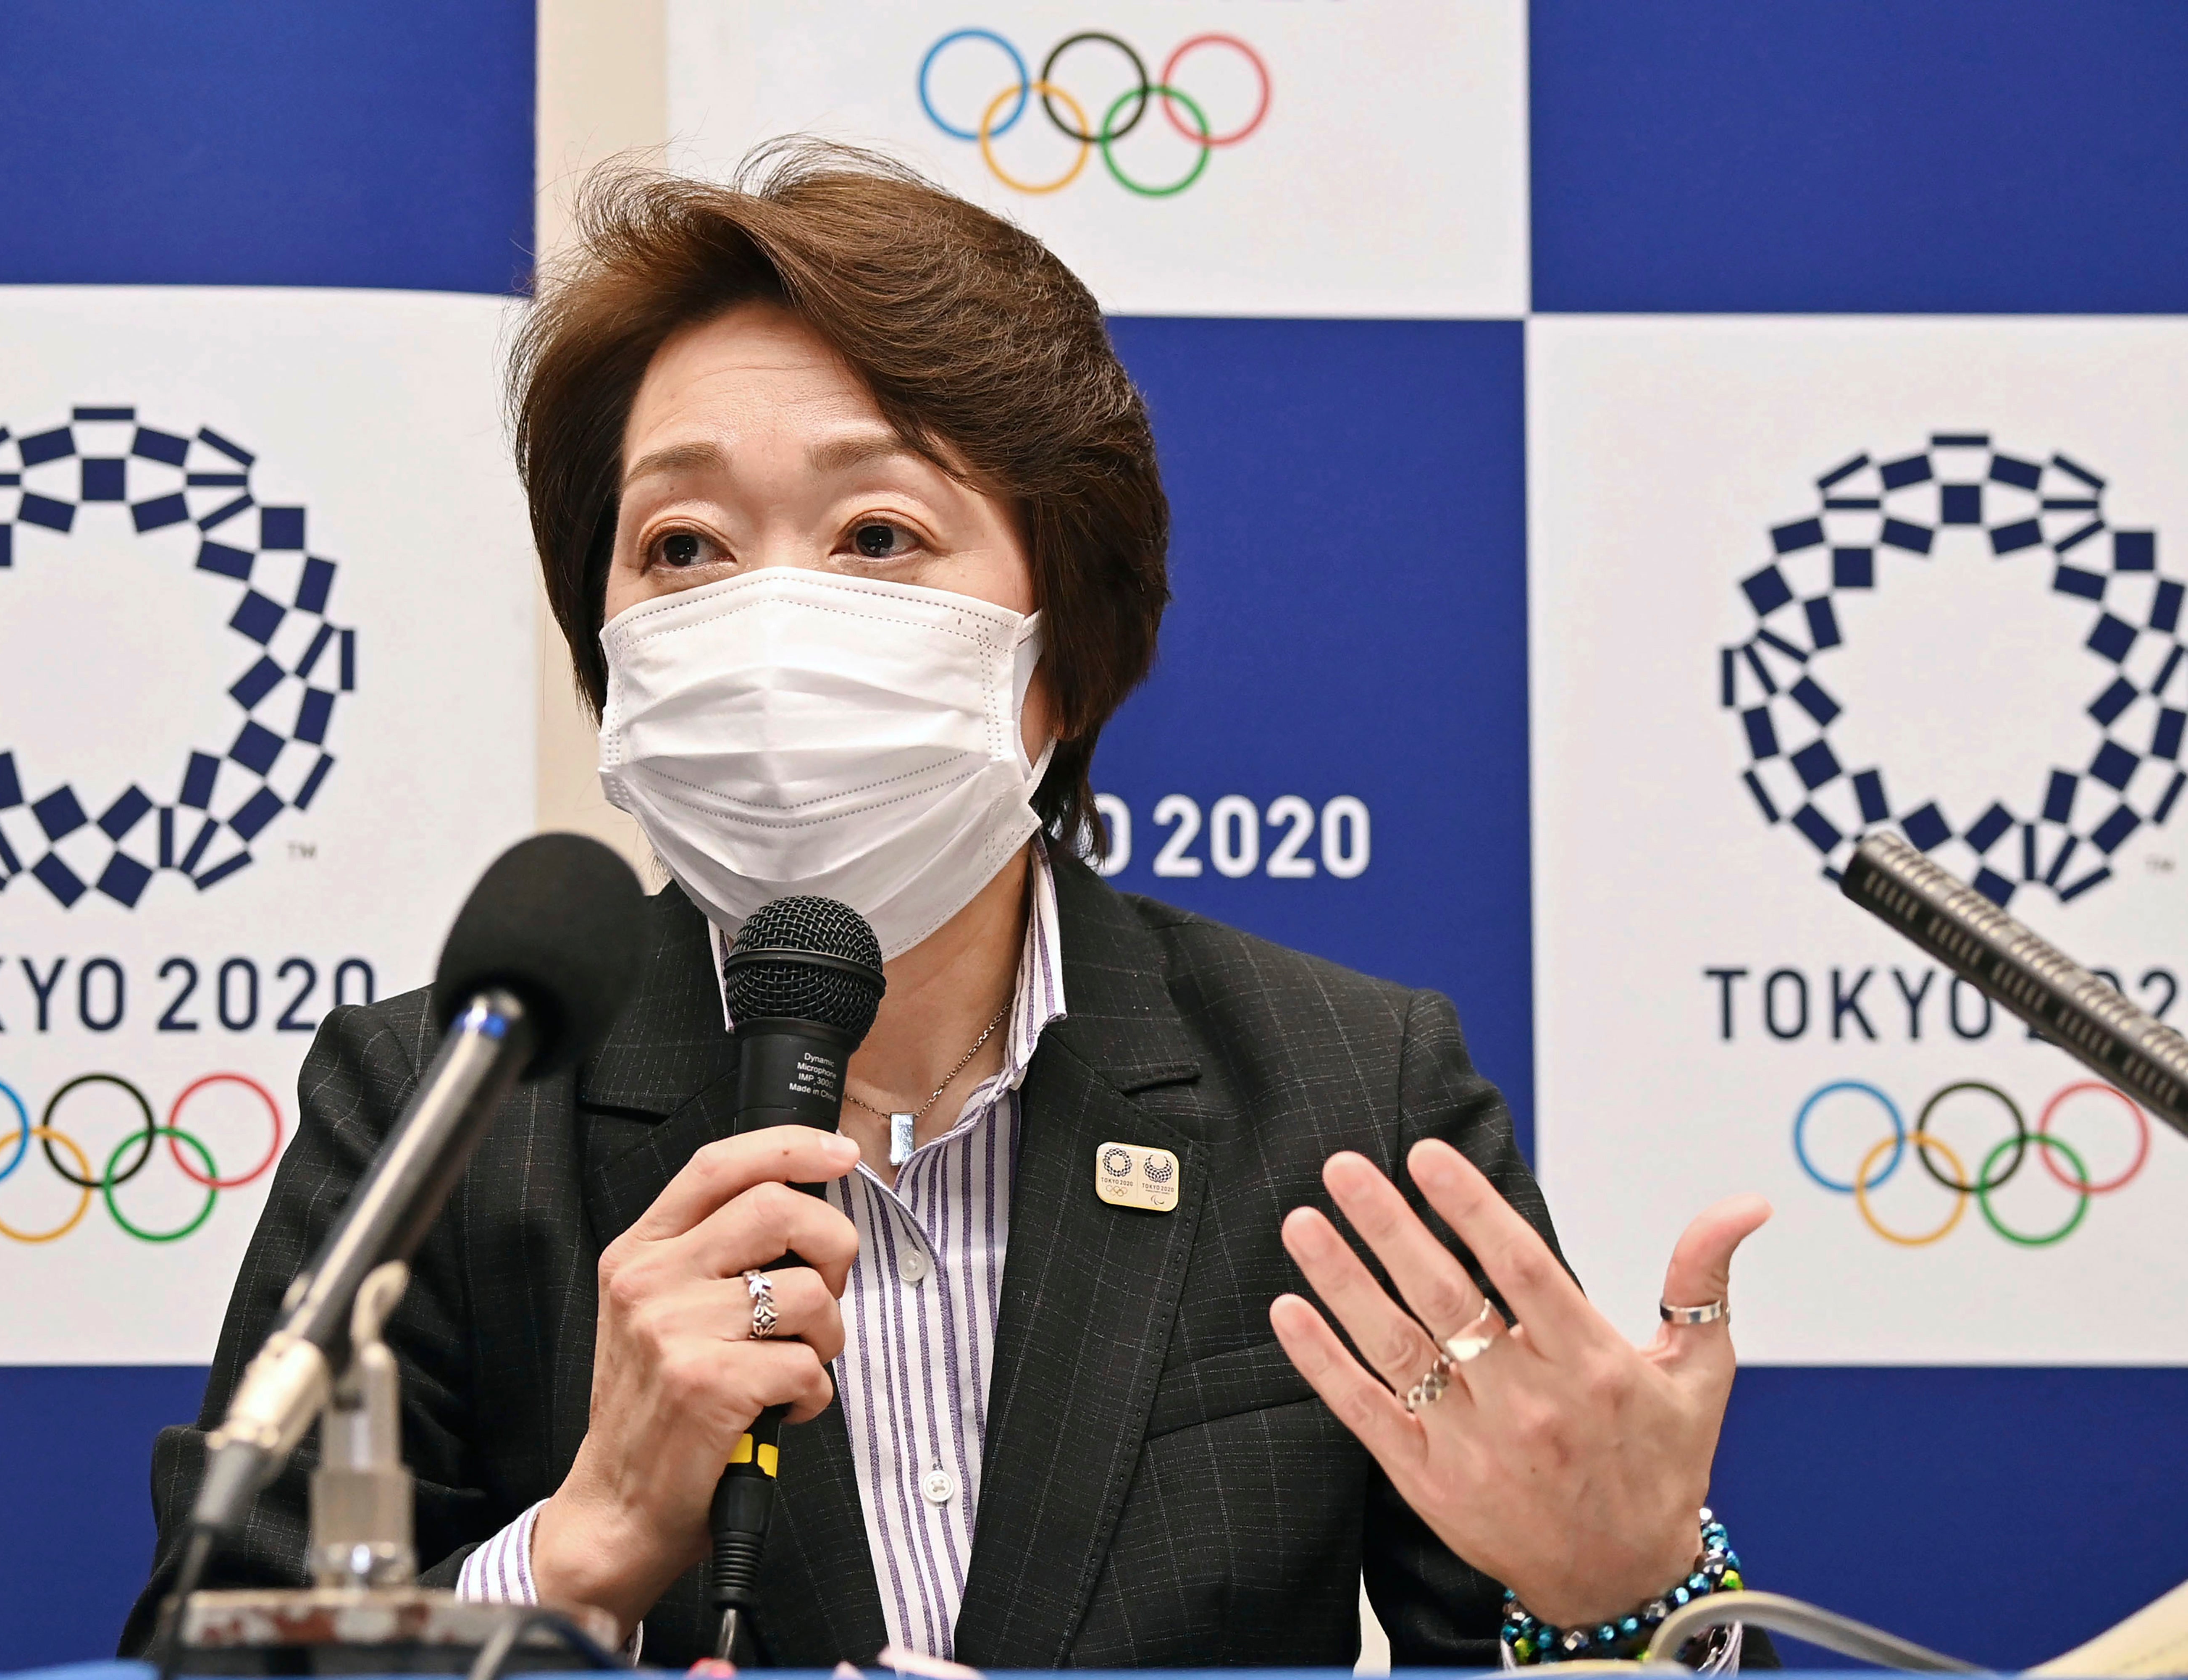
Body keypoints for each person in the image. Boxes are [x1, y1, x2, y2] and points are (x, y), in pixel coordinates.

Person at [123, 144, 1772, 1670]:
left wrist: (1626, 1593)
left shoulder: (1341, 1088)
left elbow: (1556, 1618)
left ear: (1059, 652)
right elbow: (217, 1643)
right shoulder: (445, 1107)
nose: (774, 614)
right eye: (684, 544)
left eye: (878, 532)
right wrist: (581, 1546)